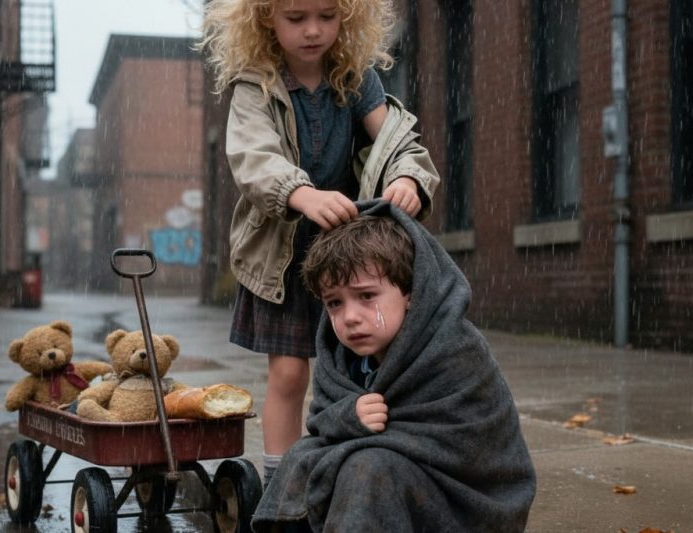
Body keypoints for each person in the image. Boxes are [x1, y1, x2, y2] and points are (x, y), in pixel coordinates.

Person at [199, 0, 440, 486]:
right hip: (282, 255)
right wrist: (301, 193)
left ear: (346, 17)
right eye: (297, 18)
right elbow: (253, 160)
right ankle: (282, 485)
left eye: (327, 17)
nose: (313, 30)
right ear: (266, 17)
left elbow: (398, 142)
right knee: (289, 375)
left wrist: (410, 180)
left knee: (365, 368)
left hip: (349, 253)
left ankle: (354, 469)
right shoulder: (255, 84)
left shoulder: (355, 77)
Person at [251, 200, 537, 532]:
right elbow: (323, 422)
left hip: (466, 503)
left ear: (411, 292)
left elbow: (470, 445)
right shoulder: (344, 360)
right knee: (302, 455)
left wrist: (365, 433)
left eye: (367, 296)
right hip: (400, 483)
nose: (350, 317)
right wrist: (349, 417)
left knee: (370, 466)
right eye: (334, 303)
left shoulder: (454, 350)